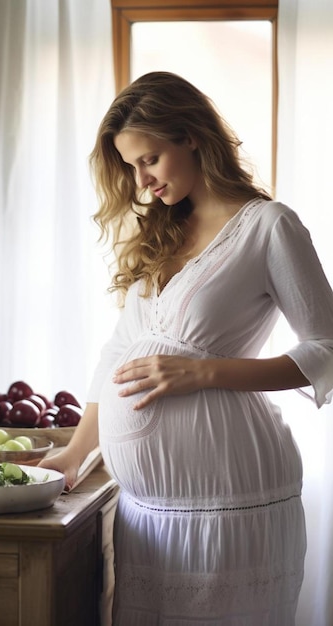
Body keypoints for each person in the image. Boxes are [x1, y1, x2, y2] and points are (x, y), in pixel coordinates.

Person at [39, 71, 333, 625]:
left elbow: (328, 347)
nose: (141, 180)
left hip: (231, 503)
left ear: (191, 135)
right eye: (129, 167)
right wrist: (77, 452)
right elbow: (117, 354)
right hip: (147, 511)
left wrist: (205, 372)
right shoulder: (161, 232)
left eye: (148, 159)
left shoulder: (268, 226)